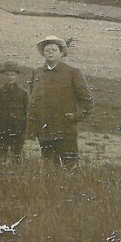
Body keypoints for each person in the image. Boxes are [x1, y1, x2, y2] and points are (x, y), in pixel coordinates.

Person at [27, 36, 93, 167]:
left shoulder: (72, 72)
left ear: (62, 53)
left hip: (66, 131)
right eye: (47, 50)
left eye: (54, 50)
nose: (50, 52)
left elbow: (87, 101)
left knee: (70, 168)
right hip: (44, 132)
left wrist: (75, 116)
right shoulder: (37, 73)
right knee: (49, 169)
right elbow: (33, 100)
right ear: (43, 54)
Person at [0, 62, 29, 159]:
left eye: (13, 75)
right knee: (1, 156)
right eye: (7, 75)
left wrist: (24, 131)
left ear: (17, 76)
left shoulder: (23, 94)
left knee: (16, 157)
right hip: (2, 130)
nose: (10, 77)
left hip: (18, 130)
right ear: (4, 76)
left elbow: (27, 114)